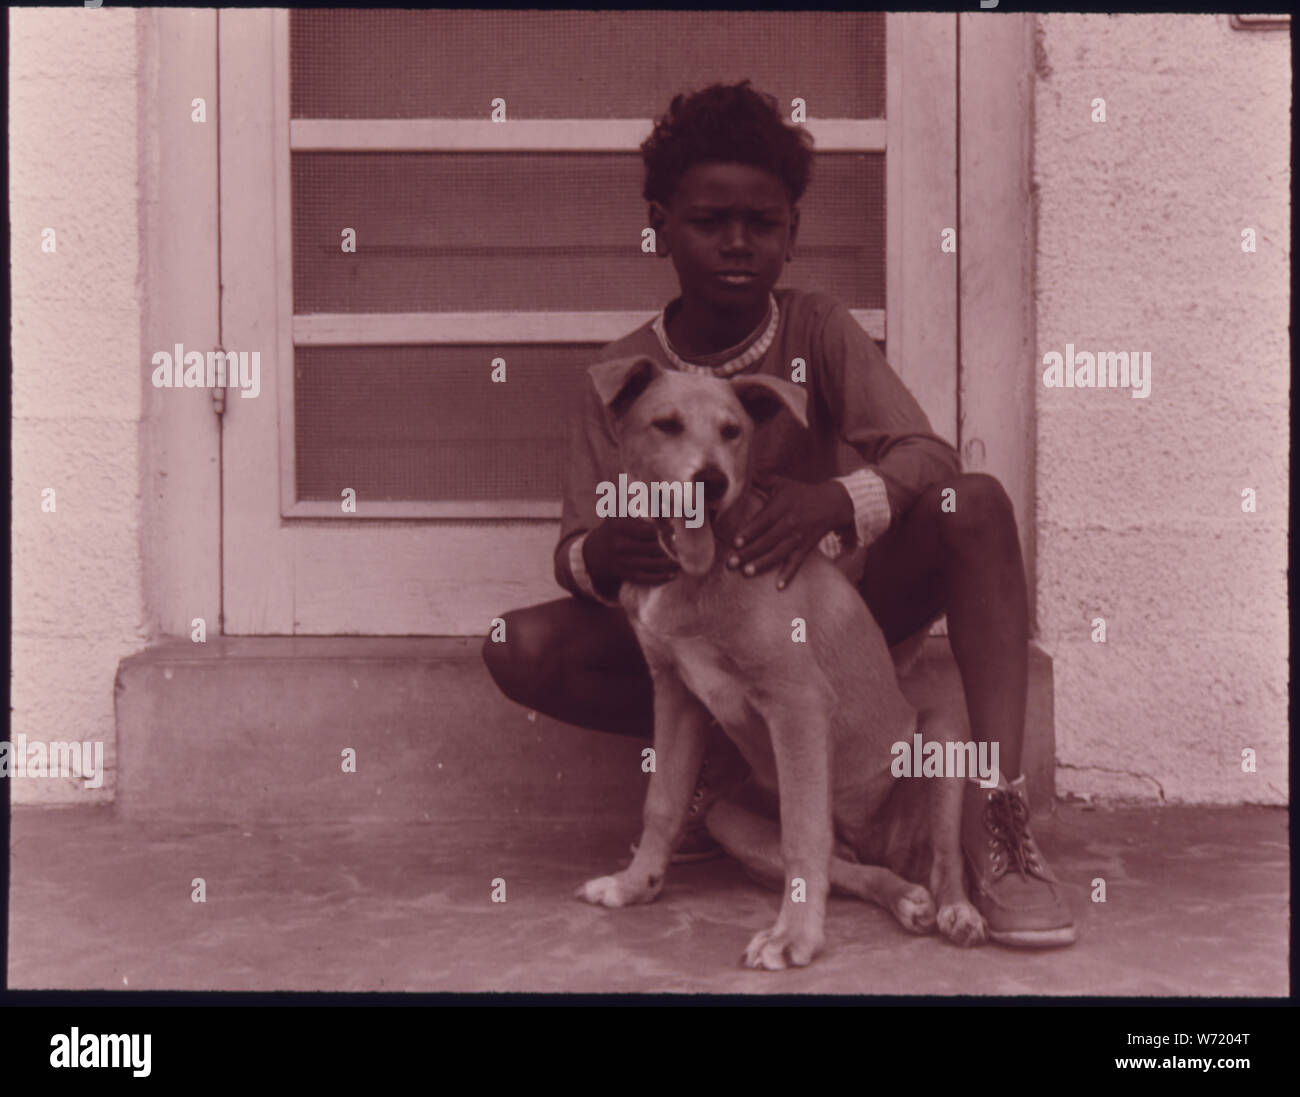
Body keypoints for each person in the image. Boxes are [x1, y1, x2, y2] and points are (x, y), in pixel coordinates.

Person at [483, 81, 1074, 947]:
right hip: (686, 602)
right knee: (517, 644)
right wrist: (606, 552)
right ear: (658, 224)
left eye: (762, 223)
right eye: (709, 220)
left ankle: (999, 820)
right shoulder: (620, 375)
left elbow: (927, 456)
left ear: (791, 235)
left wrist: (831, 501)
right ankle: (723, 775)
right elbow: (572, 548)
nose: (737, 243)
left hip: (839, 616)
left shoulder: (818, 326)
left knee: (972, 502)